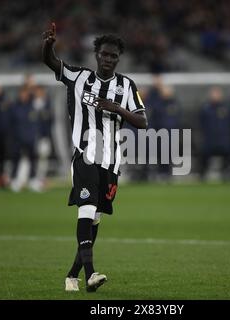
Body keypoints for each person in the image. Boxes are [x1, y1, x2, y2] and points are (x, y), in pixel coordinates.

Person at [42, 23, 148, 292]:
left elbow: (143, 121)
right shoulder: (78, 77)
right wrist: (48, 44)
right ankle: (91, 274)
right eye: (104, 54)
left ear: (118, 58)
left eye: (113, 56)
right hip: (85, 157)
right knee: (86, 211)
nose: (109, 59)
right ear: (96, 55)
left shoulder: (126, 86)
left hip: (111, 163)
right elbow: (51, 61)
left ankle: (71, 276)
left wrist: (117, 108)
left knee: (95, 220)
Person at [198, 87, 230, 181]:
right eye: (213, 94)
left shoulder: (226, 107)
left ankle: (227, 173)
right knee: (205, 156)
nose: (215, 96)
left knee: (227, 155)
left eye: (217, 94)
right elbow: (201, 122)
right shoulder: (206, 108)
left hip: (223, 138)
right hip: (210, 138)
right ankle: (202, 175)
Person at [9, 86, 40, 192]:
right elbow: (11, 124)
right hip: (17, 138)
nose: (23, 96)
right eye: (22, 93)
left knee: (33, 160)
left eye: (25, 94)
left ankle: (33, 180)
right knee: (16, 160)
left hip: (30, 138)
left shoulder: (32, 106)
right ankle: (14, 181)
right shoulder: (14, 107)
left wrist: (34, 134)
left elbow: (37, 122)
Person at [33, 85, 53, 188]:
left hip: (43, 136)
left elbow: (50, 120)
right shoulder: (32, 103)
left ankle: (41, 178)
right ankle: (34, 178)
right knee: (34, 158)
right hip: (32, 136)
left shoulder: (47, 104)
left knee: (43, 158)